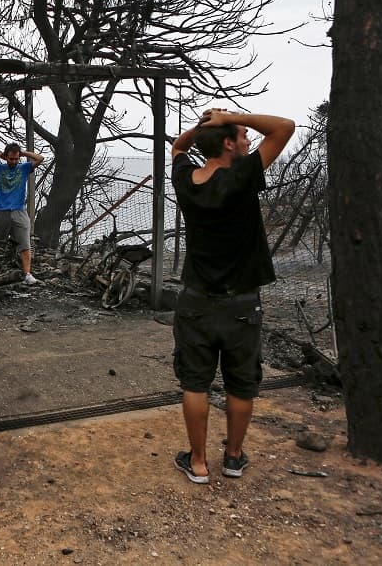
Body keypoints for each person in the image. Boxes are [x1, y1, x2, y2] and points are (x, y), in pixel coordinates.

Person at [169, 108, 295, 484]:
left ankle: (198, 463)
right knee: (241, 384)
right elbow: (284, 128)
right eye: (242, 136)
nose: (248, 141)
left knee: (195, 383)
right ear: (227, 143)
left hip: (195, 301)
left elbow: (178, 147)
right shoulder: (242, 176)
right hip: (242, 303)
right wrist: (229, 115)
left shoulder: (185, 179)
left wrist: (201, 126)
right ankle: (234, 458)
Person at [0, 143, 44, 285]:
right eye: (11, 159)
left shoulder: (24, 168)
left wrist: (23, 153)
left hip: (19, 210)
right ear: (6, 157)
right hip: (1, 210)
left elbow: (40, 159)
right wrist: (0, 154)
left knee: (25, 243)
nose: (14, 161)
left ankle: (27, 274)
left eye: (16, 159)